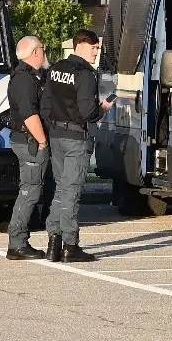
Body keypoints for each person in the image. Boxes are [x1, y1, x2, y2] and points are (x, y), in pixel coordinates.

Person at [41, 28, 111, 261]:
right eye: (94, 48)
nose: (96, 53)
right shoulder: (85, 74)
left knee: (61, 189)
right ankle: (70, 245)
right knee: (71, 191)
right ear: (81, 45)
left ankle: (54, 241)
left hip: (57, 135)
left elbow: (46, 105)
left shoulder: (56, 69)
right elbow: (88, 111)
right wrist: (102, 109)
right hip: (75, 139)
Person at [4, 36, 50, 260]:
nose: (45, 53)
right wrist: (42, 140)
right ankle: (18, 243)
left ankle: (20, 240)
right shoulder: (24, 80)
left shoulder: (31, 77)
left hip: (27, 140)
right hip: (29, 142)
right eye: (42, 49)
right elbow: (29, 114)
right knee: (29, 191)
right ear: (34, 52)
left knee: (31, 190)